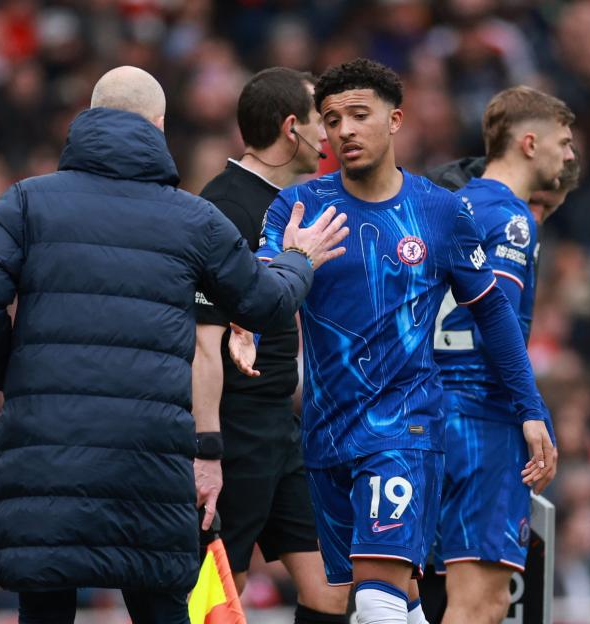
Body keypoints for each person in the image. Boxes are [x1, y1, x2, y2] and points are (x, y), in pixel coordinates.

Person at [0, 65, 349, 624]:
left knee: (45, 598)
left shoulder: (27, 203)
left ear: (88, 116)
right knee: (160, 603)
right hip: (152, 457)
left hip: (47, 448)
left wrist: (11, 371)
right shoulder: (193, 219)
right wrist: (298, 258)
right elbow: (265, 304)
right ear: (159, 126)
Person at [230, 58, 555, 624]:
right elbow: (262, 287)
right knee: (389, 599)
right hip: (327, 432)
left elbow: (495, 316)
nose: (344, 130)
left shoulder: (440, 212)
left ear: (396, 119)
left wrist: (530, 409)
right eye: (331, 119)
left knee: (377, 593)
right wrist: (262, 309)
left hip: (405, 425)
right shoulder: (299, 207)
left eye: (360, 115)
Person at [191, 67, 349, 622]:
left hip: (284, 427)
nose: (329, 137)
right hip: (236, 431)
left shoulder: (292, 206)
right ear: (291, 129)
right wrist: (207, 450)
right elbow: (202, 345)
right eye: (320, 122)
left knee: (334, 588)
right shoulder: (222, 210)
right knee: (221, 601)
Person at [427, 86, 576, 624]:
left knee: (404, 601)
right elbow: (499, 322)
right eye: (564, 142)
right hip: (481, 419)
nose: (571, 155)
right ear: (529, 143)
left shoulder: (442, 206)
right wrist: (531, 410)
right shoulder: (511, 217)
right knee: (481, 604)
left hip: (422, 412)